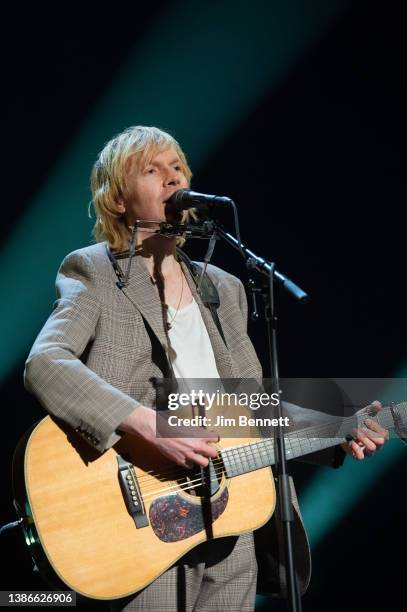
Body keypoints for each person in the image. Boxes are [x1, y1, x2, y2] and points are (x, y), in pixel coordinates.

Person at [24, 126, 388, 611]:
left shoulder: (223, 287)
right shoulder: (94, 272)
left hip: (233, 509)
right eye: (151, 170)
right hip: (144, 517)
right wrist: (148, 425)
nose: (172, 178)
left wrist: (341, 426)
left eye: (177, 168)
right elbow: (46, 362)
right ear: (116, 201)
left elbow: (250, 406)